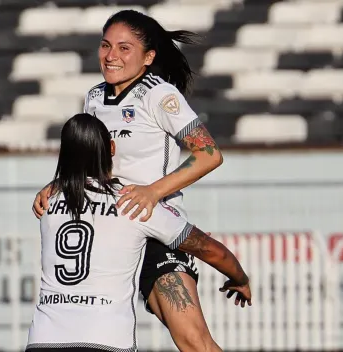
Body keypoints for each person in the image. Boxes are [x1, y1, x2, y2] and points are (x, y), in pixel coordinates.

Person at [32, 10, 251, 352]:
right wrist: (59, 184)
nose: (111, 56)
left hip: (155, 230)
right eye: (105, 46)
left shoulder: (159, 96)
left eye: (124, 48)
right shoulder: (93, 98)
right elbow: (89, 156)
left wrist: (153, 193)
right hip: (110, 229)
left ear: (148, 57)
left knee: (194, 343)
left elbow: (209, 154)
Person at [26, 113, 251, 352]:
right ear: (112, 147)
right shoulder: (134, 204)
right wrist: (241, 279)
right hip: (105, 341)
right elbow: (211, 250)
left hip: (42, 340)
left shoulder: (47, 202)